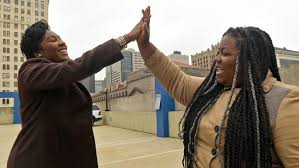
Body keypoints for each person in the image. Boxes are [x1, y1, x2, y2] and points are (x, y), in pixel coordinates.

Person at [137, 7, 299, 168]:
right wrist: (144, 44)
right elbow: (175, 79)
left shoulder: (285, 100)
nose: (217, 60)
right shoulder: (211, 89)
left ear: (249, 60)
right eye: (217, 53)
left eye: (225, 53)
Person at [7, 17, 144, 168]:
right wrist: (127, 38)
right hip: (36, 161)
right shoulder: (30, 71)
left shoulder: (63, 79)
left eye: (60, 38)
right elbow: (78, 67)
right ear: (38, 52)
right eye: (53, 40)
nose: (62, 42)